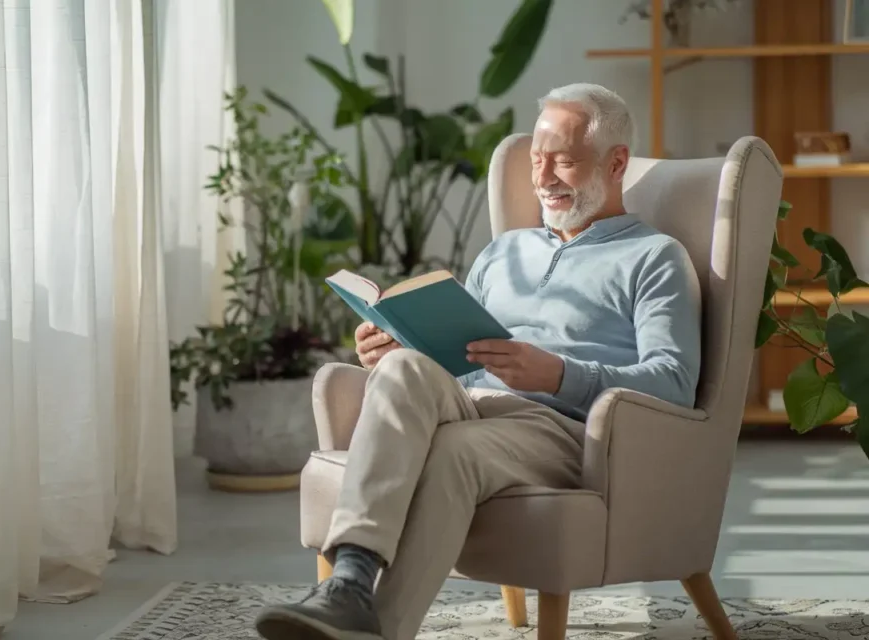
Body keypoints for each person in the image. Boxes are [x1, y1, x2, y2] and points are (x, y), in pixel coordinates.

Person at [254, 82, 703, 640]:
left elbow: (676, 385)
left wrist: (561, 375)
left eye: (563, 162)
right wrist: (400, 347)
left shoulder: (654, 258)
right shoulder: (503, 254)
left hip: (561, 428)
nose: (542, 179)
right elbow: (463, 364)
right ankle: (350, 580)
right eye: (538, 161)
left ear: (616, 163)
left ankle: (376, 625)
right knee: (400, 369)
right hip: (470, 403)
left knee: (455, 454)